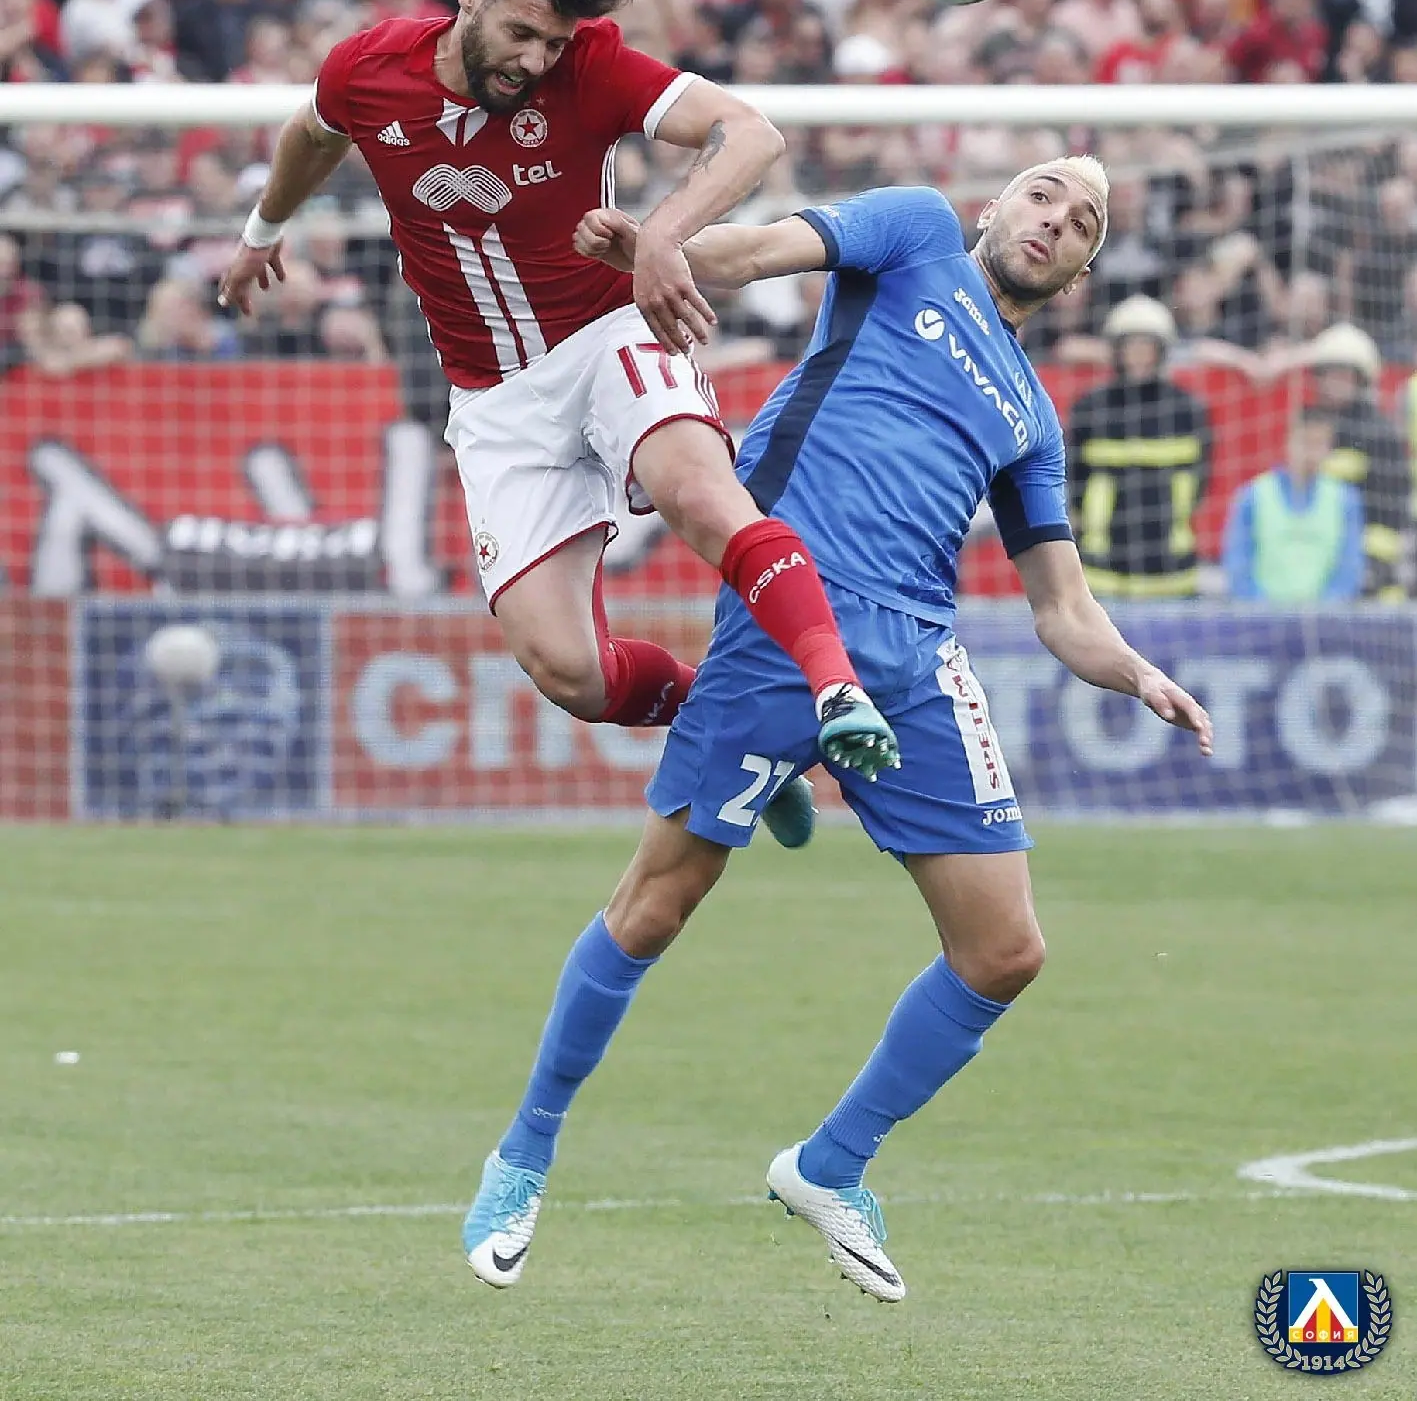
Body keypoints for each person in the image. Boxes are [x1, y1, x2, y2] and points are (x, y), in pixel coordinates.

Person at [460, 158, 1214, 1300]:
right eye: (1043, 194)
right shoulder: (912, 233)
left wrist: (1141, 674)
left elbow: (1062, 608)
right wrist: (662, 251)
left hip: (917, 654)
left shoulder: (1031, 416)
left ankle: (830, 1165)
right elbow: (758, 250)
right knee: (654, 907)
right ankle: (522, 1155)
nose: (1056, 220)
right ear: (993, 207)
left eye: (1082, 224)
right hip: (787, 608)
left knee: (1005, 952)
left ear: (1078, 278)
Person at [215, 0, 898, 838]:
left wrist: (659, 237)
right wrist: (264, 230)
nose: (536, 60)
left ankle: (835, 693)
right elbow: (312, 135)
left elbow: (750, 132)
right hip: (493, 397)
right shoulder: (367, 69)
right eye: (522, 32)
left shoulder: (593, 67)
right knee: (568, 671)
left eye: (554, 42)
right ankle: (724, 723)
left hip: (608, 333)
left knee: (701, 495)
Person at [1067, 296, 1212, 599]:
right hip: (1102, 570)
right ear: (1116, 350)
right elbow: (1073, 477)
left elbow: (1201, 479)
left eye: (1146, 346)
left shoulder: (1187, 410)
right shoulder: (1090, 409)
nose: (1138, 355)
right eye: (1130, 345)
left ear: (1162, 350)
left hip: (1171, 570)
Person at [1304, 321, 1410, 599]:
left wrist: (1372, 569)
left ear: (1360, 380)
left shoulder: (1379, 434)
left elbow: (1390, 512)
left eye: (1344, 375)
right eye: (1329, 374)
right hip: (1316, 567)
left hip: (1369, 575)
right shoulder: (1309, 426)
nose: (1335, 383)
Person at [1222, 410, 1364, 602]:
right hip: (1262, 616)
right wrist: (1263, 608)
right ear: (1287, 442)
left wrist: (1324, 608)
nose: (1311, 454)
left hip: (1325, 617)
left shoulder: (1344, 499)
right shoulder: (1253, 496)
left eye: (1319, 444)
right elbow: (1238, 566)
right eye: (1305, 442)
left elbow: (1349, 568)